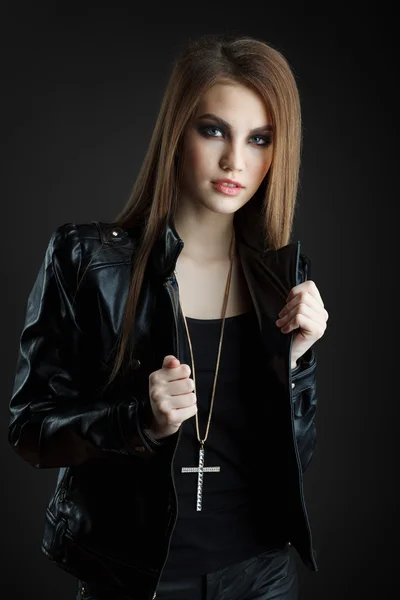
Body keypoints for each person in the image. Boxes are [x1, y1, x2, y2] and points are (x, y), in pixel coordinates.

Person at [8, 32, 329, 600]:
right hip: (137, 580)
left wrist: (295, 362)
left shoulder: (282, 276)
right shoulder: (88, 261)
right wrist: (139, 421)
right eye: (214, 131)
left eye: (259, 139)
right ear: (177, 131)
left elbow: (289, 465)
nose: (236, 160)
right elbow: (30, 430)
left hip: (262, 576)